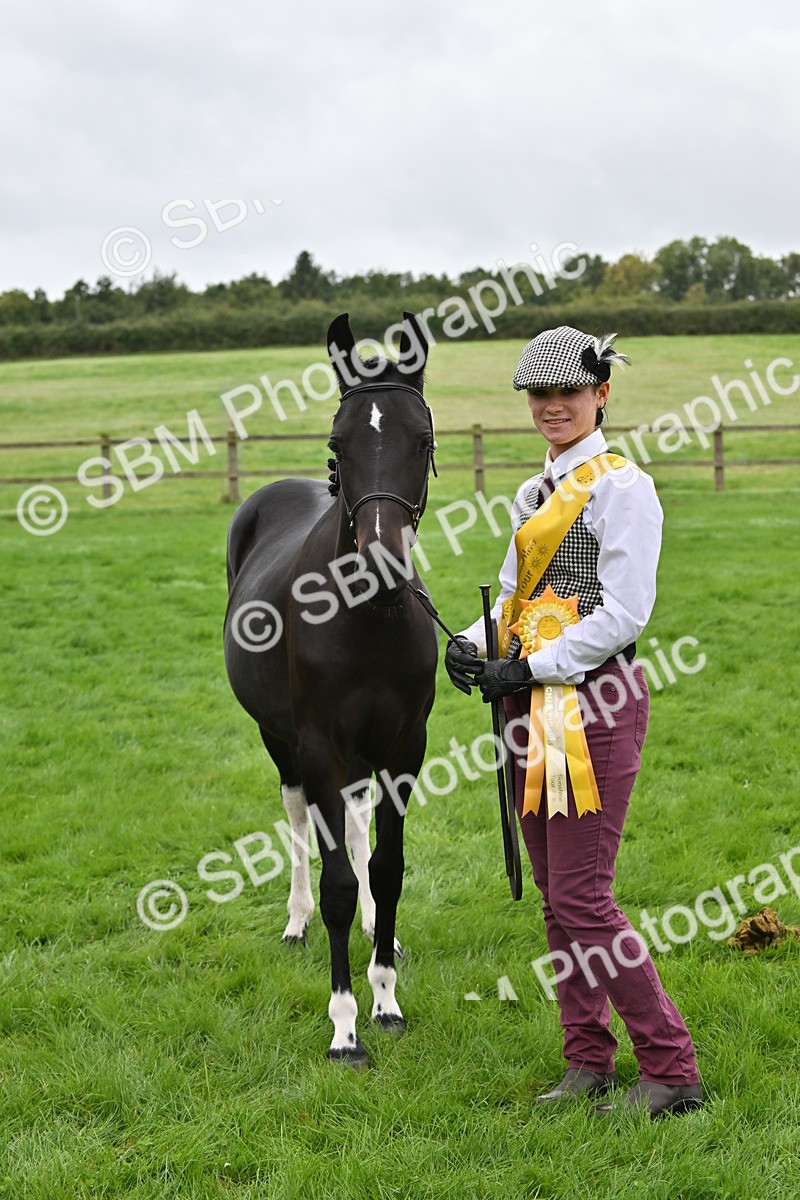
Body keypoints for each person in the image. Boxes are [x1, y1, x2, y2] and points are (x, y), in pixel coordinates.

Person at [445, 325, 703, 1119]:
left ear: (601, 394)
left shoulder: (623, 489)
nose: (552, 406)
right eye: (539, 394)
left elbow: (625, 611)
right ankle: (587, 1062)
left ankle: (671, 1071)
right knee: (559, 902)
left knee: (587, 898)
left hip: (595, 702)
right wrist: (470, 645)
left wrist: (530, 667)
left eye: (568, 392)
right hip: (533, 709)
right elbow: (512, 598)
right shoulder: (533, 494)